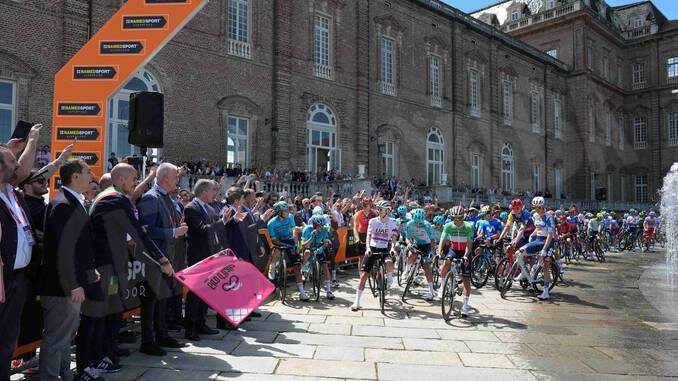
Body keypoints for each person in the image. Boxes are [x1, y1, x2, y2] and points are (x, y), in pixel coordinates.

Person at [88, 163, 176, 361]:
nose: (137, 182)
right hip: (107, 265)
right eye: (134, 178)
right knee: (108, 312)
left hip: (112, 262)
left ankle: (110, 348)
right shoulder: (116, 199)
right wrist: (162, 259)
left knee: (115, 310)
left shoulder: (112, 197)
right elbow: (138, 234)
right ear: (121, 180)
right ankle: (103, 355)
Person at [40, 160, 104, 381]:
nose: (91, 176)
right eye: (87, 172)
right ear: (75, 177)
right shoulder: (64, 205)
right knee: (57, 338)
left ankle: (65, 376)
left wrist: (88, 270)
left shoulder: (70, 202)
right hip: (62, 288)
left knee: (65, 337)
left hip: (69, 285)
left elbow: (79, 247)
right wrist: (73, 284)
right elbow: (62, 250)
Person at [0, 123, 43, 381]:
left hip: (18, 280)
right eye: (11, 162)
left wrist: (26, 145)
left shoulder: (13, 193)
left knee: (7, 341)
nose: (18, 167)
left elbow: (21, 168)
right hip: (2, 281)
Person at [136, 163, 187, 354]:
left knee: (162, 299)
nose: (177, 180)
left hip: (167, 258)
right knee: (150, 302)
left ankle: (162, 335)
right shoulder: (151, 198)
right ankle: (148, 341)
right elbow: (147, 232)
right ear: (165, 178)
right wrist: (174, 231)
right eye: (175, 176)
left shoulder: (166, 197)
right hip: (154, 260)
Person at [184, 179, 229, 341]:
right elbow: (202, 230)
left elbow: (214, 229)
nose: (214, 193)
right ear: (203, 192)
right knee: (195, 294)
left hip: (210, 255)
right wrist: (221, 222)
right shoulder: (191, 208)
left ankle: (201, 323)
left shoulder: (209, 207)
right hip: (198, 256)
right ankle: (190, 328)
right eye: (212, 190)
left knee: (205, 292)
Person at [350, 200, 398, 311]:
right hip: (373, 247)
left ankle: (389, 277)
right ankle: (356, 302)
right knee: (363, 276)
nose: (380, 211)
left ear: (388, 211)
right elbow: (369, 236)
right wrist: (367, 248)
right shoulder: (372, 221)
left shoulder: (393, 222)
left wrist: (392, 248)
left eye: (382, 209)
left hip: (385, 247)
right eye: (379, 209)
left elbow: (394, 237)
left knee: (389, 262)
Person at [267, 201, 308, 301]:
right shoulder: (271, 223)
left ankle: (302, 292)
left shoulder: (290, 217)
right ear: (279, 212)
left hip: (290, 239)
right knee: (276, 250)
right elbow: (273, 240)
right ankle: (272, 266)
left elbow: (294, 232)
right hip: (279, 241)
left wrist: (296, 245)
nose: (287, 212)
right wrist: (284, 245)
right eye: (285, 210)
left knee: (297, 266)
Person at [437, 206, 474, 316]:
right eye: (454, 218)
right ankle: (442, 286)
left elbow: (469, 244)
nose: (457, 221)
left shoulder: (469, 226)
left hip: (465, 251)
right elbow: (442, 240)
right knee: (447, 262)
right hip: (453, 250)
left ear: (463, 217)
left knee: (466, 280)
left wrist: (466, 256)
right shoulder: (448, 225)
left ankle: (465, 305)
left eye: (459, 218)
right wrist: (439, 252)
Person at [520, 197, 556, 301]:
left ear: (543, 207)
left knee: (545, 265)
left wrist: (544, 249)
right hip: (538, 239)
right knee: (520, 252)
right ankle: (524, 274)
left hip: (548, 241)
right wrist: (532, 235)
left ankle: (546, 291)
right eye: (535, 207)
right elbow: (538, 228)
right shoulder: (535, 215)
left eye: (539, 207)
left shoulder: (549, 217)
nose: (537, 209)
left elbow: (550, 234)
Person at [404, 208, 436, 301]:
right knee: (411, 255)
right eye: (416, 222)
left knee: (426, 267)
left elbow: (433, 240)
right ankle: (406, 271)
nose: (418, 224)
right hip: (416, 243)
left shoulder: (427, 225)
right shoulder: (410, 224)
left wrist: (432, 251)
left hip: (426, 245)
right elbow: (408, 237)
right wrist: (409, 243)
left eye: (420, 223)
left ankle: (431, 290)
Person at [301, 215, 335, 300]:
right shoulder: (307, 229)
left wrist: (324, 245)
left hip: (318, 249)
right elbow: (303, 245)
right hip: (309, 249)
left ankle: (328, 291)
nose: (321, 227)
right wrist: (311, 239)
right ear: (314, 225)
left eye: (322, 225)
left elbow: (325, 242)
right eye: (319, 226)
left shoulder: (324, 230)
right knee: (307, 252)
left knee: (325, 267)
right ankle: (303, 268)